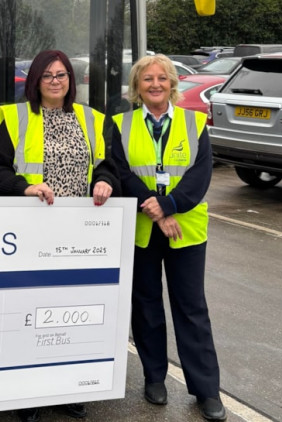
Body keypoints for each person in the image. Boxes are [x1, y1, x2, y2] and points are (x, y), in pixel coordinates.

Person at [0, 49, 120, 422]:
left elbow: (110, 166)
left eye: (61, 75)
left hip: (78, 234)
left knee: (69, 314)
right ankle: (27, 394)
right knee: (29, 312)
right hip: (32, 232)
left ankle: (66, 387)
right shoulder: (16, 118)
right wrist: (23, 188)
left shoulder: (92, 119)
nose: (56, 81)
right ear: (35, 81)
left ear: (70, 80)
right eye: (47, 76)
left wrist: (106, 182)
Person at [110, 54, 226, 421]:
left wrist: (170, 205)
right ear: (137, 87)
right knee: (145, 307)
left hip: (185, 230)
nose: (155, 85)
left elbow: (200, 175)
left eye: (162, 78)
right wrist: (154, 208)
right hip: (144, 229)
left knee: (191, 308)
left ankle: (206, 391)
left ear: (173, 83)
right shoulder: (120, 124)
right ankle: (154, 378)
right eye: (147, 79)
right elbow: (120, 172)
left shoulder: (195, 123)